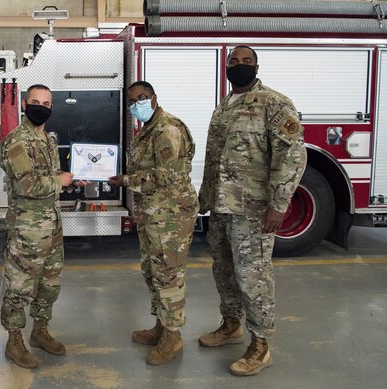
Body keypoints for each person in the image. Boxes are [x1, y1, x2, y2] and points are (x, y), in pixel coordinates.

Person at [197, 45, 307, 376]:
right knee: (224, 269)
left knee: (253, 277)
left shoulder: (274, 103)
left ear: (257, 66)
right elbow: (215, 157)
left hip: (253, 211)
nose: (239, 66)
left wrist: (278, 204)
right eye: (234, 61)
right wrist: (205, 198)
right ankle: (231, 324)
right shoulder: (225, 106)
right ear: (226, 66)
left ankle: (261, 345)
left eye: (246, 62)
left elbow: (291, 157)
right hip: (221, 208)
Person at [108, 81, 199, 365]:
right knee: (152, 271)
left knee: (169, 274)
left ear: (154, 98)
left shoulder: (167, 129)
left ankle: (173, 337)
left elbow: (167, 175)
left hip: (170, 216)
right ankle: (162, 325)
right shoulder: (147, 130)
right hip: (153, 215)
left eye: (142, 98)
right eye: (133, 100)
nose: (137, 104)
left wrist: (126, 181)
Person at [0, 84, 82, 369]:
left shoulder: (45, 138)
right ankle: (14, 341)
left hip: (52, 226)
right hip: (28, 231)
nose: (41, 107)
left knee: (49, 285)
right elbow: (27, 184)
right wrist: (61, 181)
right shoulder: (17, 141)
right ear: (24, 104)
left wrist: (70, 176)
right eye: (35, 101)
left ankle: (40, 331)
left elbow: (47, 175)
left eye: (46, 103)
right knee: (20, 288)